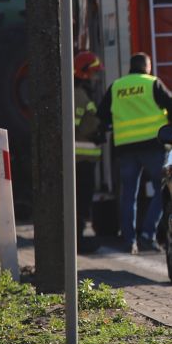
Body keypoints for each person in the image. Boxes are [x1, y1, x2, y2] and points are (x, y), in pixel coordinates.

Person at [96, 52, 172, 251]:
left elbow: (101, 114)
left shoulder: (117, 86)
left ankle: (129, 240)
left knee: (128, 195)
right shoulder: (152, 83)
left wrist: (112, 125)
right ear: (147, 66)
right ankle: (147, 235)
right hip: (152, 146)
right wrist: (171, 125)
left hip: (125, 148)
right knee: (163, 190)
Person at [72, 51, 104, 249]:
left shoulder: (79, 92)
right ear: (84, 73)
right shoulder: (78, 95)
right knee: (81, 199)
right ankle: (78, 238)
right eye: (93, 73)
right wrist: (95, 132)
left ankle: (79, 236)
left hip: (84, 158)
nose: (96, 78)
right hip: (80, 159)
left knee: (83, 198)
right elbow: (76, 126)